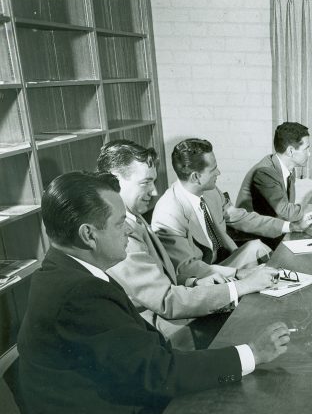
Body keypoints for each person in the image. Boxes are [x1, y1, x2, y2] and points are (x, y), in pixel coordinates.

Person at [16, 172, 291, 414]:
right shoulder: (80, 293)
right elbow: (158, 373)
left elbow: (147, 360)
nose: (128, 232)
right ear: (88, 234)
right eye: (120, 223)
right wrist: (253, 354)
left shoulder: (65, 271)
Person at [97, 140, 276, 344]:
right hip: (160, 333)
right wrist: (240, 286)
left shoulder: (134, 218)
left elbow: (165, 278)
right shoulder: (121, 234)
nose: (154, 191)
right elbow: (166, 301)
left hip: (175, 309)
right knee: (253, 322)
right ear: (115, 181)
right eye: (145, 182)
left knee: (256, 314)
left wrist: (195, 282)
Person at [152, 138, 297, 281]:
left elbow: (241, 217)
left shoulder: (210, 191)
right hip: (202, 278)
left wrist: (289, 226)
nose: (219, 172)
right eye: (213, 169)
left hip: (225, 263)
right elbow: (186, 268)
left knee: (256, 248)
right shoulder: (168, 213)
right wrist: (237, 273)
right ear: (196, 177)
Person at [237, 122, 312, 225]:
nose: (309, 154)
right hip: (253, 237)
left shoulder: (287, 168)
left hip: (272, 228)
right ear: (290, 151)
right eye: (306, 149)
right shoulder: (264, 172)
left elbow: (286, 212)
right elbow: (285, 211)